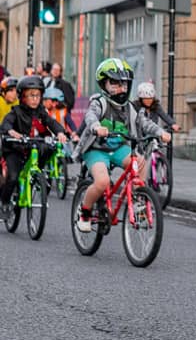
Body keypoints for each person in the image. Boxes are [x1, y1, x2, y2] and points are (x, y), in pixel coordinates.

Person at [74, 59, 170, 233]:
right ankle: (85, 212)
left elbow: (144, 122)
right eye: (115, 84)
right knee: (102, 182)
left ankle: (138, 200)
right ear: (104, 84)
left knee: (140, 162)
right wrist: (96, 127)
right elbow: (90, 116)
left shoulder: (129, 107)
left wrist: (159, 132)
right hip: (96, 150)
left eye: (124, 84)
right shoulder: (99, 102)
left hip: (118, 148)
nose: (121, 89)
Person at [0, 76, 69, 219]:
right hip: (15, 149)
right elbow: (6, 123)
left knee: (48, 148)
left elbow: (51, 122)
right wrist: (11, 132)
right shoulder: (16, 111)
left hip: (33, 147)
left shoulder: (41, 112)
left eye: (38, 95)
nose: (35, 99)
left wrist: (60, 132)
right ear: (22, 96)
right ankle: (5, 202)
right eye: (31, 95)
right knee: (12, 177)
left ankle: (38, 178)